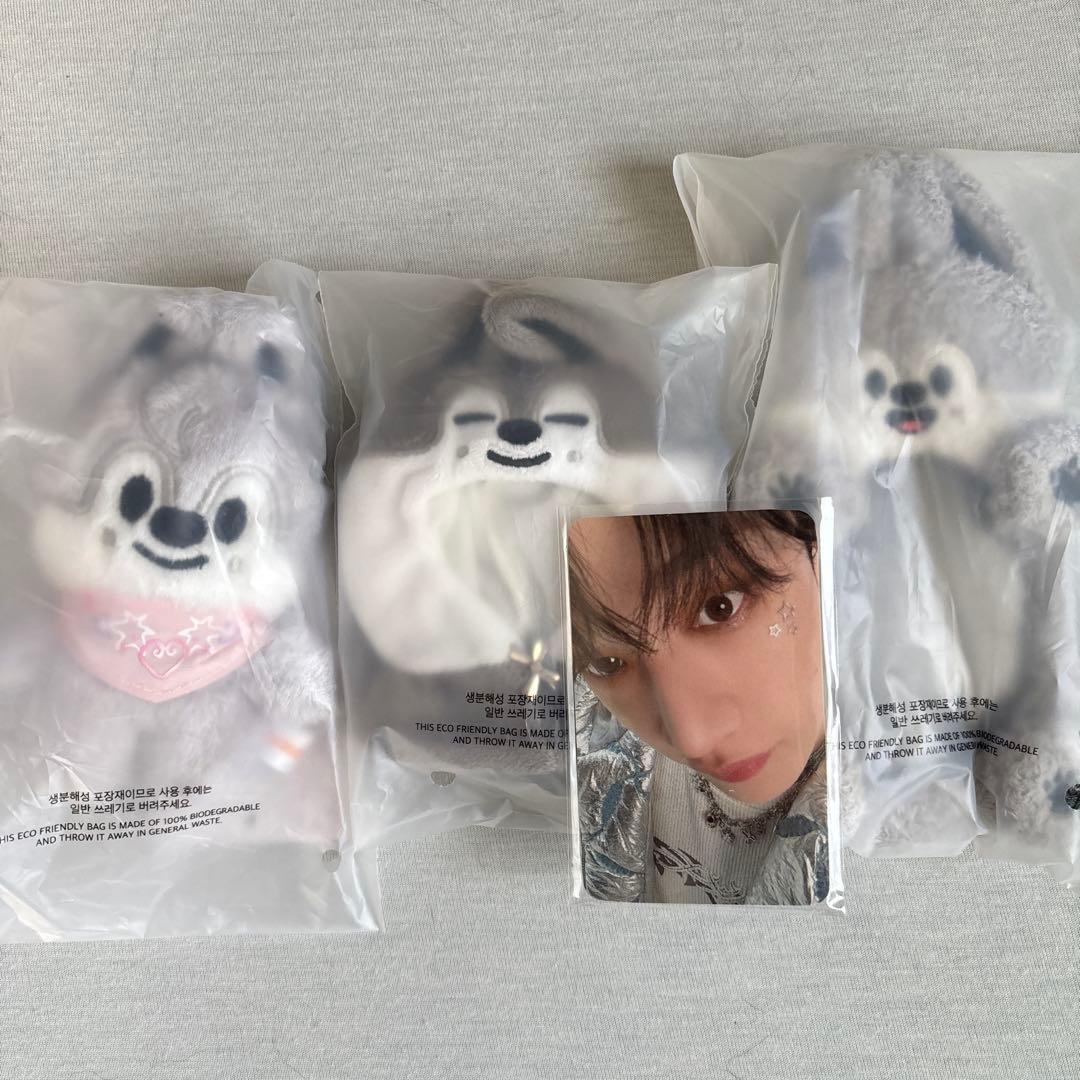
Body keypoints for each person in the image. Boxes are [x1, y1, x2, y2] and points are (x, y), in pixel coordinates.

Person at [567, 509, 830, 905]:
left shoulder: (913, 788)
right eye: (607, 664)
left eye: (720, 607)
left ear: (818, 544)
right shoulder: (573, 753)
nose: (692, 739)